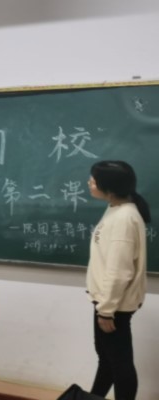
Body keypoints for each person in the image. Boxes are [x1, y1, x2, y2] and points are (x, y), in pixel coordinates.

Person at [86, 160, 150, 400]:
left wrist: (106, 310)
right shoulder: (116, 208)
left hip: (113, 306)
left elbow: (119, 271)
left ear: (109, 187)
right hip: (109, 302)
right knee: (109, 360)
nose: (89, 183)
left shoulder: (124, 218)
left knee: (120, 364)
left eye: (94, 180)